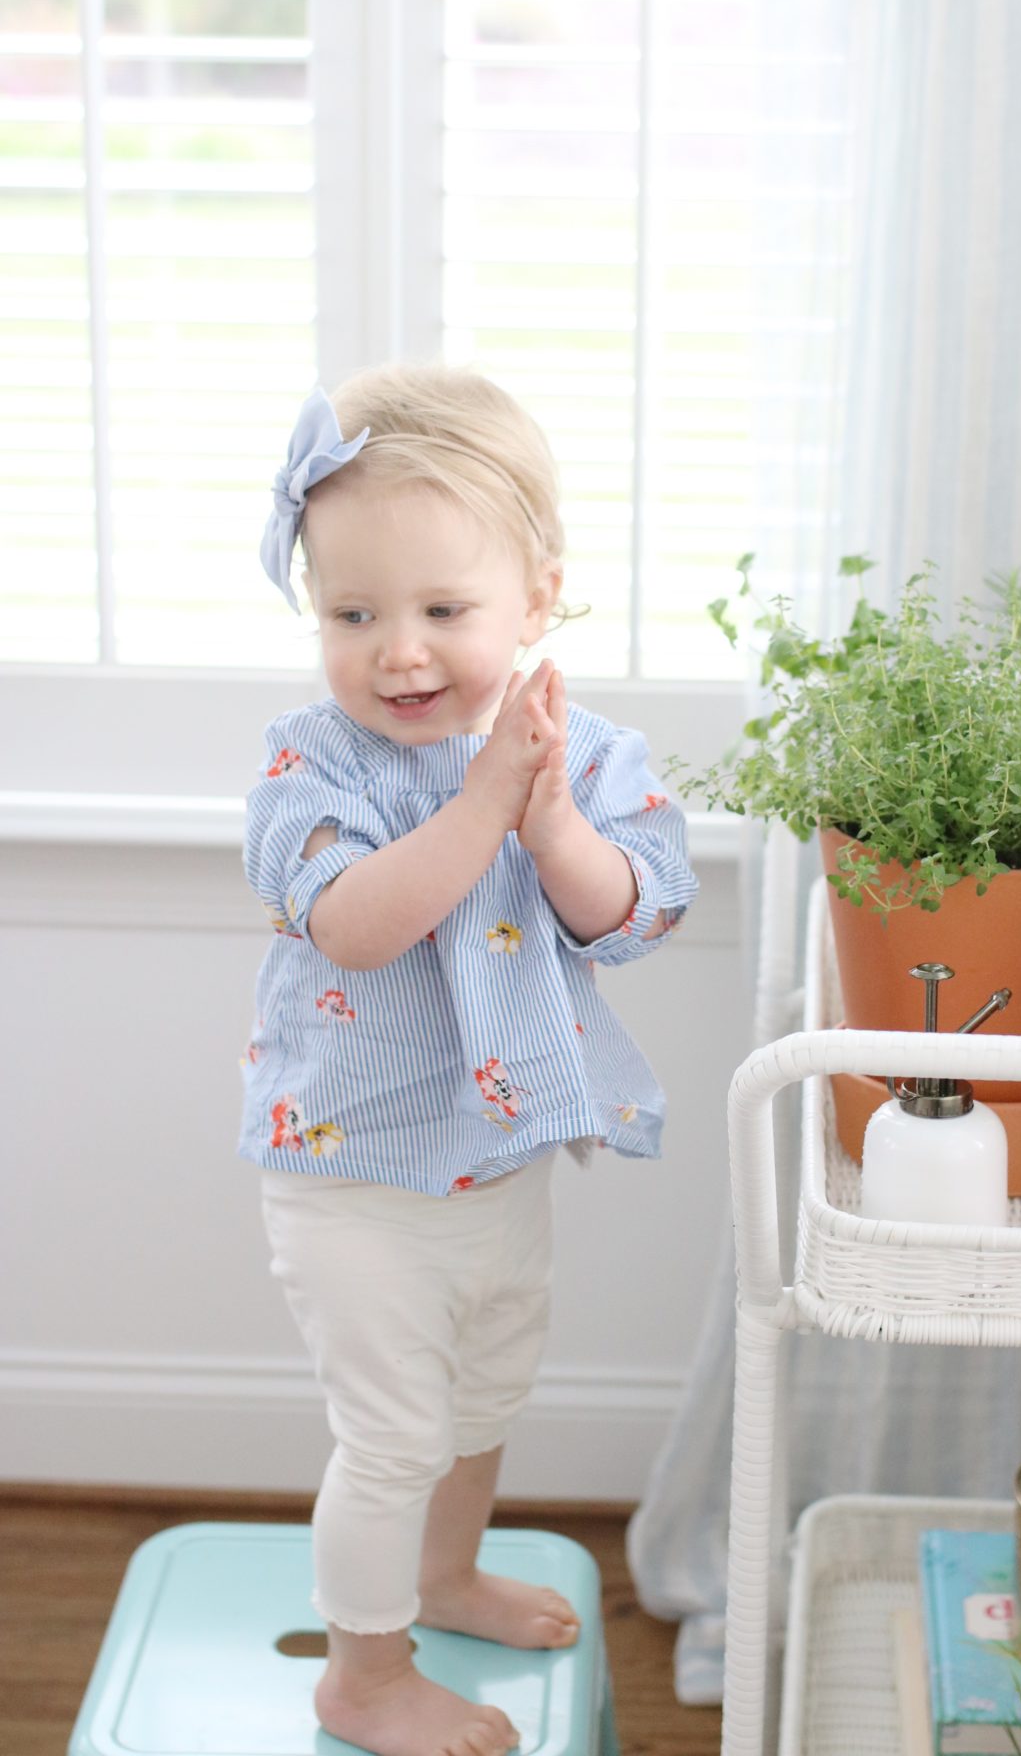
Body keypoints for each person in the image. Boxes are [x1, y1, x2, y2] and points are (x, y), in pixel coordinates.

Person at [241, 364, 697, 1756]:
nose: (400, 652)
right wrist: (483, 805)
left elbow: (630, 912)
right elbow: (360, 926)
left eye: (445, 611)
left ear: (536, 599)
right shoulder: (307, 767)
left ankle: (444, 1575)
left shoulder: (580, 750)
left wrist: (546, 817)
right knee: (391, 1432)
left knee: (485, 1395)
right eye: (353, 614)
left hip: (494, 1157)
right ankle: (363, 1672)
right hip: (353, 1174)